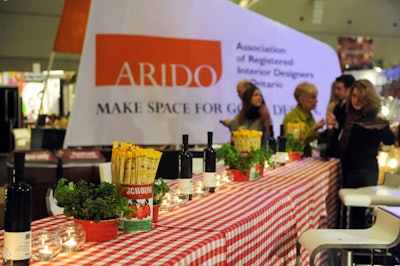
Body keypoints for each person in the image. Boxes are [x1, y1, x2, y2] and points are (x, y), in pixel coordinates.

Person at [340, 79, 395, 229]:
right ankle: (350, 248)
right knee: (349, 214)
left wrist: (380, 126)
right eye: (354, 96)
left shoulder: (373, 119)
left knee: (358, 214)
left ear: (368, 98)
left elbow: (390, 139)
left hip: (364, 171)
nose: (356, 100)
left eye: (361, 97)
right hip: (348, 170)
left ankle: (355, 250)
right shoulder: (348, 116)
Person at [282, 82, 325, 157]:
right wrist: (314, 129)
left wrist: (327, 131)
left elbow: (312, 138)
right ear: (302, 100)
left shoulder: (308, 114)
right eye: (313, 97)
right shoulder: (293, 117)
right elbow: (296, 144)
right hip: (294, 159)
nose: (316, 101)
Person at [326, 74, 356, 158]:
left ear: (349, 90)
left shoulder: (354, 108)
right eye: (335, 88)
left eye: (339, 89)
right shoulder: (339, 105)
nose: (336, 92)